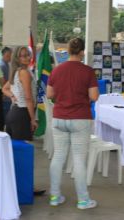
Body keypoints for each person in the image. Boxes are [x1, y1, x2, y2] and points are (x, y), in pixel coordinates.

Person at [46, 38, 99, 210]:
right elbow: (94, 97)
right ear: (82, 52)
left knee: (58, 156)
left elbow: (49, 94)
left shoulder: (57, 70)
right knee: (79, 160)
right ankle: (83, 200)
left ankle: (54, 196)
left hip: (59, 118)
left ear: (68, 51)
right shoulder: (88, 71)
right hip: (80, 119)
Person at [2, 46, 45, 195]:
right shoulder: (24, 73)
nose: (26, 58)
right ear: (17, 58)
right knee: (21, 153)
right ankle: (24, 187)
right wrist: (33, 119)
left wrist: (12, 96)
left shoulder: (16, 72)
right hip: (21, 114)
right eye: (22, 56)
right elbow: (28, 98)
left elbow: (5, 88)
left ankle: (17, 185)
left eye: (28, 55)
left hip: (14, 114)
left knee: (16, 152)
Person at [0, 47, 13, 119]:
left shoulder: (6, 64)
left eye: (11, 55)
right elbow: (3, 81)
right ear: (4, 55)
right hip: (5, 95)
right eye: (8, 55)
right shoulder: (2, 65)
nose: (10, 57)